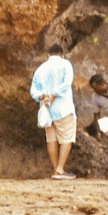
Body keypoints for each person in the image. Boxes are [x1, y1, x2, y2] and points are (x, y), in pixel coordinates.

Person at [30, 49, 77, 180]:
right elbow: (67, 83)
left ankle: (55, 169)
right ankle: (60, 170)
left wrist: (43, 97)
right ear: (62, 54)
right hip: (63, 108)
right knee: (67, 138)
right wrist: (53, 95)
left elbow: (33, 90)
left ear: (48, 55)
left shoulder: (40, 68)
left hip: (46, 110)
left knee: (51, 139)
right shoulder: (66, 64)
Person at [83, 72, 108, 180]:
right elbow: (96, 115)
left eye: (96, 88)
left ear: (102, 85)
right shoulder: (95, 97)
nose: (94, 91)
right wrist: (98, 132)